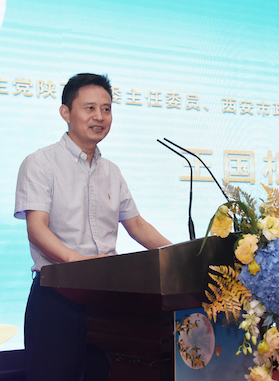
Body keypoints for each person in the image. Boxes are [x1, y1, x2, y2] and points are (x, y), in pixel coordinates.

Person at [14, 73, 171, 381]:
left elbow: (137, 225)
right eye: (90, 108)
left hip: (108, 303)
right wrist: (82, 266)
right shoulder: (40, 163)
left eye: (106, 109)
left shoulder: (112, 171)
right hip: (57, 299)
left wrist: (179, 255)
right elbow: (37, 229)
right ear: (65, 112)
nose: (100, 116)